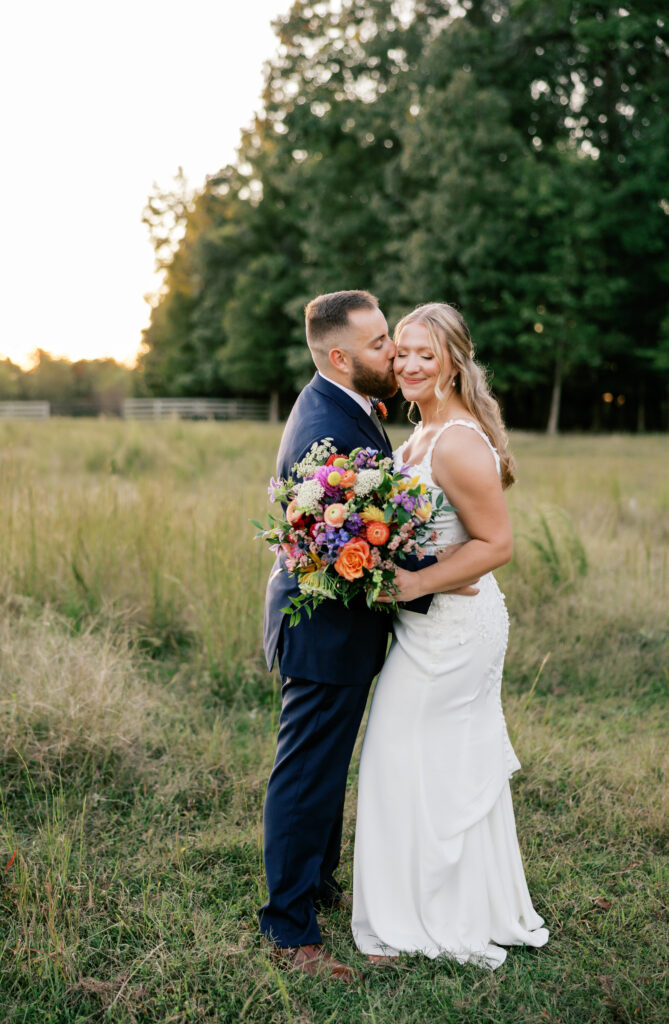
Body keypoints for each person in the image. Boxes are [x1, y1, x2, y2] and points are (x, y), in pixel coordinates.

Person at [259, 290, 471, 981]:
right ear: (342, 357)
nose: (394, 352)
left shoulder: (344, 407)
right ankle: (291, 933)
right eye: (380, 343)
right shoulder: (330, 427)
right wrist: (444, 573)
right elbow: (351, 532)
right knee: (307, 776)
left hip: (338, 628)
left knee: (326, 769)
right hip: (321, 632)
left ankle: (318, 885)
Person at [352, 302, 549, 969]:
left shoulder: (457, 440)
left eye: (424, 355)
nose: (406, 363)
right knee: (419, 761)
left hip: (455, 631)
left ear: (453, 362)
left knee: (402, 758)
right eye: (400, 351)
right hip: (424, 626)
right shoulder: (418, 432)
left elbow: (496, 543)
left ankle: (432, 910)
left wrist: (410, 583)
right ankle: (454, 897)